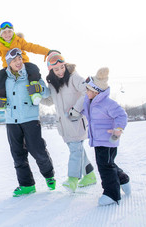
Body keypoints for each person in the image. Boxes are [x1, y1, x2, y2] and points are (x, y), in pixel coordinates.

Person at [0, 48, 56, 197]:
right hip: (12, 121)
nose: (18, 62)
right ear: (8, 63)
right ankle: (27, 185)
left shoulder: (31, 75)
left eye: (19, 59)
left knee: (38, 151)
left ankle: (49, 175)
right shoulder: (4, 80)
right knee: (18, 154)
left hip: (30, 119)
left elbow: (47, 93)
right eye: (14, 61)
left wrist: (39, 87)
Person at [41, 52, 97, 193]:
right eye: (56, 69)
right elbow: (49, 101)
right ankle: (89, 175)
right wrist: (37, 96)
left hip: (76, 121)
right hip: (64, 125)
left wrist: (76, 109)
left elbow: (87, 92)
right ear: (51, 70)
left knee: (75, 151)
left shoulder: (74, 77)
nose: (60, 71)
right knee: (78, 150)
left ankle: (72, 179)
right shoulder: (52, 84)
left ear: (65, 65)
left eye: (62, 67)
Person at [0, 21, 58, 105]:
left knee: (33, 68)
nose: (7, 34)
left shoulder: (19, 41)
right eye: (4, 32)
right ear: (1, 34)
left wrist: (47, 51)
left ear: (13, 32)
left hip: (24, 64)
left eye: (9, 31)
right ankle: (1, 98)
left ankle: (34, 89)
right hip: (8, 68)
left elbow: (33, 47)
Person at [83, 67, 131, 206]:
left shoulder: (107, 103)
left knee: (105, 166)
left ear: (96, 91)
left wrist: (118, 129)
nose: (86, 92)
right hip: (99, 140)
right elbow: (84, 111)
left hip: (108, 140)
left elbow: (121, 115)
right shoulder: (90, 102)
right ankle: (123, 179)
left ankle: (112, 194)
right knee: (108, 164)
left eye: (88, 90)